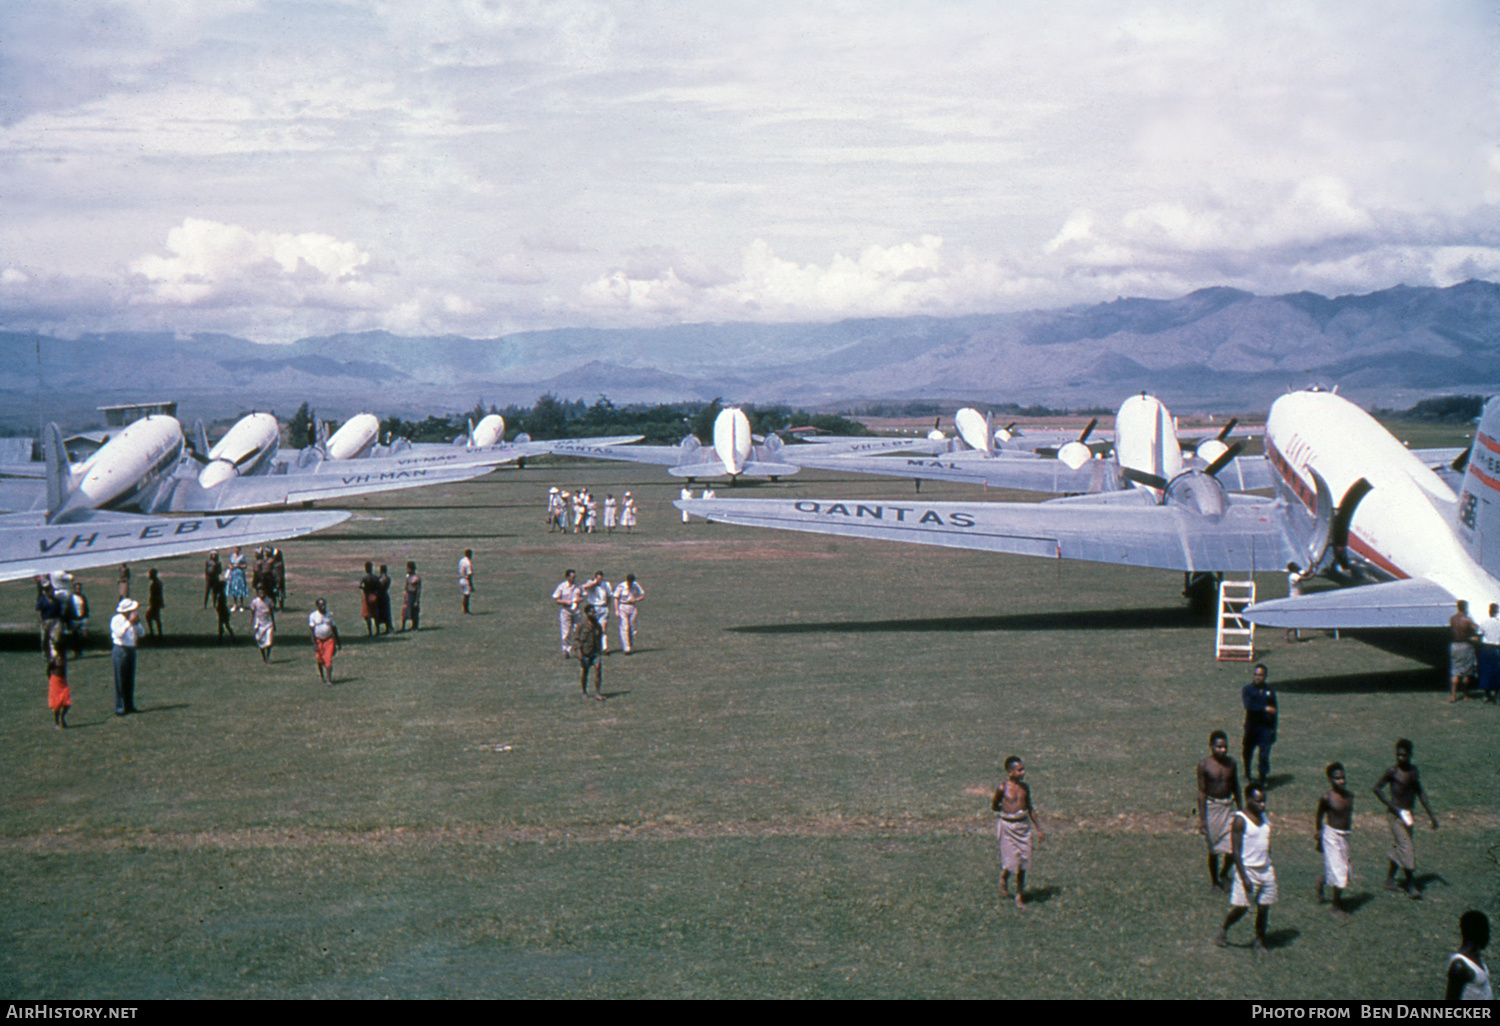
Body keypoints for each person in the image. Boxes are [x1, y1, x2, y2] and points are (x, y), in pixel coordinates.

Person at [1215, 782, 1276, 955]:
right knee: (1241, 908)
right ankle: (1223, 928)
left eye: (1263, 801)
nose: (1262, 805)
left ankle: (1259, 941)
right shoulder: (1240, 820)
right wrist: (1244, 877)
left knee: (1264, 908)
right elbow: (1236, 851)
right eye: (1258, 801)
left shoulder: (1264, 817)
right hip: (1247, 870)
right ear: (1248, 799)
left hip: (1265, 869)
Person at [1374, 738, 1438, 899]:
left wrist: (1431, 815)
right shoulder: (1392, 771)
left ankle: (1389, 880)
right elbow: (1377, 788)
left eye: (1404, 755)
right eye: (1398, 755)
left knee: (1401, 846)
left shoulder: (1413, 772)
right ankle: (1411, 885)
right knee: (1407, 848)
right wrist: (1391, 805)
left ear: (1410, 755)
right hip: (1394, 816)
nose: (1400, 758)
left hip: (1408, 815)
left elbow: (1420, 792)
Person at [990, 755, 1043, 909]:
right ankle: (1004, 877)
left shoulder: (1025, 788)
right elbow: (994, 806)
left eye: (1023, 769)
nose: (1023, 772)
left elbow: (1030, 808)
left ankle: (1019, 896)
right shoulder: (1002, 788)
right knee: (1011, 862)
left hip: (1023, 827)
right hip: (1008, 828)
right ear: (1010, 772)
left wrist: (1038, 829)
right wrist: (1007, 814)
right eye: (1019, 770)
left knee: (1022, 863)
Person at [1196, 730, 1242, 891]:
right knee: (1214, 849)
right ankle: (1215, 881)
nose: (1222, 750)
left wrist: (1241, 809)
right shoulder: (1204, 765)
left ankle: (1224, 873)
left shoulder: (1231, 764)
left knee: (1233, 846)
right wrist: (1202, 819)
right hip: (1212, 808)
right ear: (1211, 747)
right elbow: (1201, 792)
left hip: (1227, 806)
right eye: (1219, 747)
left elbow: (1235, 785)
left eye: (1225, 747)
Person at [1314, 762, 1354, 919]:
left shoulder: (1350, 796)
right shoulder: (1326, 798)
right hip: (1331, 836)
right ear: (1330, 779)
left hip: (1344, 835)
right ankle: (1335, 906)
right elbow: (1319, 816)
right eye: (1337, 778)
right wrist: (1319, 835)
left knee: (1343, 870)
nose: (1341, 781)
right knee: (1340, 871)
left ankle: (1321, 880)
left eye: (1343, 777)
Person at [1241, 664, 1277, 784]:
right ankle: (1247, 773)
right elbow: (1249, 705)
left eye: (1260, 675)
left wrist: (1273, 729)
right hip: (1252, 726)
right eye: (1256, 674)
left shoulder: (1269, 691)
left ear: (1265, 676)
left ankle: (1262, 778)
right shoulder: (1248, 690)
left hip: (1265, 727)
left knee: (1264, 755)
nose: (1257, 677)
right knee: (1247, 752)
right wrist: (1264, 708)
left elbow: (1274, 711)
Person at [1446, 911, 1493, 1001]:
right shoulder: (1460, 967)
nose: (1488, 937)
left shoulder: (1475, 960)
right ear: (1480, 933)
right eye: (1487, 933)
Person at [110, 597, 144, 716]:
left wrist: (137, 624)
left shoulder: (132, 621)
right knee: (119, 679)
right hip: (120, 649)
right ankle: (119, 707)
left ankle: (129, 705)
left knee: (130, 679)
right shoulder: (116, 619)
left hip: (131, 649)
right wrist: (129, 623)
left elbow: (141, 633)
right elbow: (120, 633)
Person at [570, 602, 605, 700]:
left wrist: (600, 651)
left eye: (594, 612)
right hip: (585, 652)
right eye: (591, 613)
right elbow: (576, 639)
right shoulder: (582, 626)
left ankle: (598, 692)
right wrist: (578, 652)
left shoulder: (597, 625)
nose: (594, 614)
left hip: (595, 652)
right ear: (587, 613)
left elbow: (600, 637)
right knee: (585, 672)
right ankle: (584, 692)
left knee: (598, 670)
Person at [1449, 600, 1480, 702]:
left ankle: (1453, 695)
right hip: (1465, 645)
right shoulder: (1467, 620)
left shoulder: (1452, 619)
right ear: (1465, 607)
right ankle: (1465, 694)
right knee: (1466, 672)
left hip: (1455, 645)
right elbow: (1476, 628)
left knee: (1456, 671)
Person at [308, 597, 341, 685]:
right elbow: (311, 630)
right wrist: (314, 644)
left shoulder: (329, 615)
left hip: (328, 640)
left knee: (328, 659)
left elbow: (334, 628)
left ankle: (329, 679)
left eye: (324, 605)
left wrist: (338, 642)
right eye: (321, 605)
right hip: (318, 640)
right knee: (320, 659)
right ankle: (322, 676)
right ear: (317, 606)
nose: (323, 607)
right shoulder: (313, 616)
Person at [613, 573, 644, 654]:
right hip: (623, 606)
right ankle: (627, 648)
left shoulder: (636, 585)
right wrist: (616, 610)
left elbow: (642, 594)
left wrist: (636, 599)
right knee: (624, 627)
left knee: (632, 627)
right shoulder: (621, 586)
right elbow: (616, 598)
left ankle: (630, 642)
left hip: (632, 607)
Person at [552, 569, 580, 658]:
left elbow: (583, 595)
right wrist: (565, 602)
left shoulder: (578, 586)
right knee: (566, 631)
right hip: (566, 610)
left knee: (577, 629)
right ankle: (566, 650)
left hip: (576, 610)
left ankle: (577, 649)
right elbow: (556, 599)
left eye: (574, 577)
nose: (574, 578)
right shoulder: (562, 586)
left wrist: (578, 600)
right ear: (567, 577)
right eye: (572, 577)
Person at [46, 624, 69, 730]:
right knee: (57, 704)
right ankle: (57, 722)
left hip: (62, 681)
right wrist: (51, 679)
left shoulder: (62, 658)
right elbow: (48, 669)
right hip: (56, 680)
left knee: (66, 702)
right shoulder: (55, 659)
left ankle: (62, 718)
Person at [583, 570, 611, 652]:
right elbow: (584, 587)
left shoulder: (606, 584)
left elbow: (609, 596)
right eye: (598, 579)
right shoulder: (590, 583)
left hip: (603, 608)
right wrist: (594, 583)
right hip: (594, 608)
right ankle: (593, 646)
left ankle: (605, 647)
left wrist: (607, 606)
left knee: (603, 629)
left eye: (601, 579)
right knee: (592, 629)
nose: (599, 581)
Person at [1477, 602, 1500, 703]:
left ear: (1489, 611)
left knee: (1485, 671)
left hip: (1486, 648)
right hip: (1497, 648)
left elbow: (1480, 634)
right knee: (1497, 671)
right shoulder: (1499, 622)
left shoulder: (1483, 622)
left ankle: (1487, 695)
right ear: (1497, 611)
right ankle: (1496, 694)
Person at [250, 587, 276, 663]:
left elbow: (271, 613)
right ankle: (264, 657)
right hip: (259, 624)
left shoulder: (268, 601)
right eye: (260, 593)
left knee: (269, 641)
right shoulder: (255, 602)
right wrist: (252, 624)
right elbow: (253, 613)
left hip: (268, 623)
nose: (262, 594)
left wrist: (273, 623)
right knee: (261, 641)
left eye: (263, 593)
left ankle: (268, 656)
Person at [67, 581, 90, 659]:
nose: (78, 590)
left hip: (82, 618)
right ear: (74, 589)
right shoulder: (71, 598)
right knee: (74, 637)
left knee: (82, 637)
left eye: (79, 588)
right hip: (74, 619)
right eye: (76, 588)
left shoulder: (82, 597)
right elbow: (68, 609)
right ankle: (75, 652)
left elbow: (86, 608)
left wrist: (86, 617)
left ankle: (80, 651)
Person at [358, 561, 379, 635]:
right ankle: (377, 630)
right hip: (374, 595)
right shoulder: (375, 578)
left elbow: (360, 586)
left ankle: (370, 632)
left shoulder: (365, 578)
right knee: (375, 614)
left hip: (367, 596)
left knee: (367, 615)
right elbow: (378, 586)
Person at [226, 547, 248, 612]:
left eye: (237, 549)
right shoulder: (232, 556)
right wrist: (231, 566)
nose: (236, 550)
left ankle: (241, 605)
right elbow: (230, 563)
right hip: (233, 574)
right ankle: (235, 604)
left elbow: (245, 565)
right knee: (234, 589)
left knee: (240, 589)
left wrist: (238, 566)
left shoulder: (242, 557)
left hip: (240, 574)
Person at [401, 561, 422, 632]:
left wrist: (417, 600)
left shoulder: (416, 578)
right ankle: (403, 627)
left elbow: (418, 590)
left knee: (414, 611)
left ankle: (415, 626)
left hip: (413, 595)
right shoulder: (408, 577)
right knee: (405, 611)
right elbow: (406, 587)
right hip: (409, 595)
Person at [144, 568, 164, 637]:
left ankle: (154, 633)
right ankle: (158, 633)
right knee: (156, 618)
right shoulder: (158, 583)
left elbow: (156, 595)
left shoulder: (155, 584)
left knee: (149, 617)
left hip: (155, 604)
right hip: (156, 603)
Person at [375, 564, 393, 635]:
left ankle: (379, 630)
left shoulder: (382, 579)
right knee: (386, 612)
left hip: (380, 596)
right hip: (385, 596)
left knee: (379, 612)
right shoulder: (388, 578)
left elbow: (379, 587)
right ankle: (387, 627)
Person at [458, 550, 474, 614]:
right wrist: (471, 585)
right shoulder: (468, 563)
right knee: (467, 595)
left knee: (464, 594)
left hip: (461, 578)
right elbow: (469, 574)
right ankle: (466, 610)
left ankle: (464, 609)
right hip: (466, 580)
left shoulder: (462, 560)